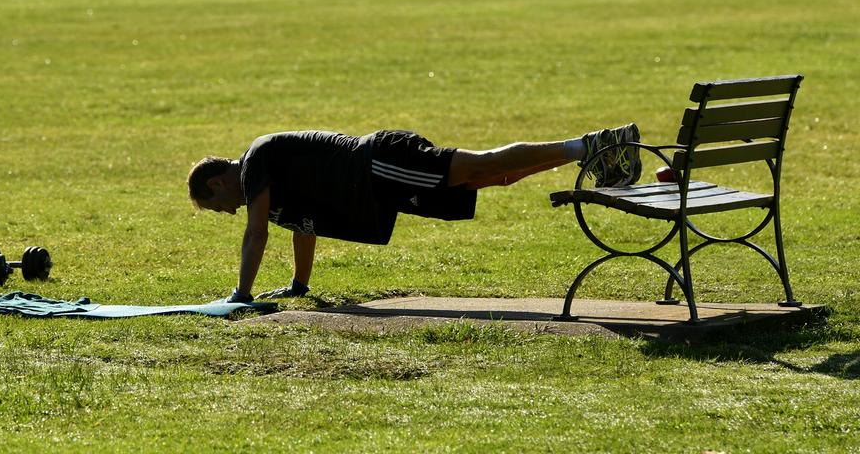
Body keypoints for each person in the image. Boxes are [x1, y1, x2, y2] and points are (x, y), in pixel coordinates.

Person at [187, 124, 641, 302]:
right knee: (493, 177)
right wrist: (300, 286)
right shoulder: (263, 178)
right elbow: (303, 228)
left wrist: (241, 293)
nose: (226, 212)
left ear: (215, 184)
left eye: (216, 207)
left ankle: (590, 144)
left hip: (380, 164)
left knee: (481, 165)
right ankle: (588, 152)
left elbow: (256, 234)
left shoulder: (254, 163)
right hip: (380, 186)